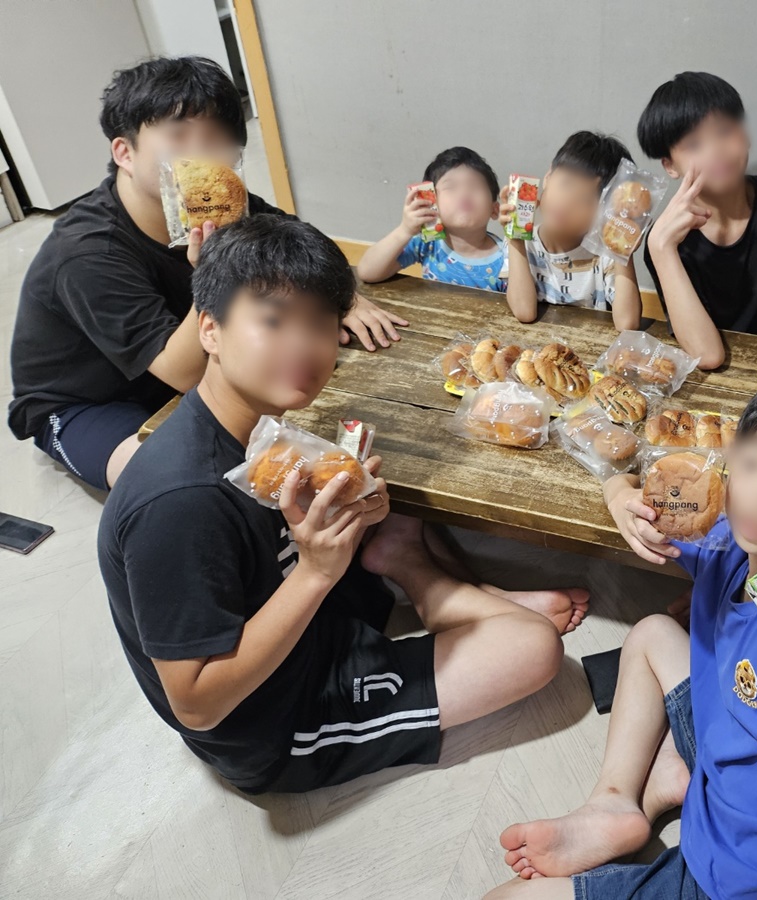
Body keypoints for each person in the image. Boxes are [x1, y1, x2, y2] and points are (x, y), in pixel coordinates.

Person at [98, 215, 587, 793]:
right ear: (210, 329)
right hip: (278, 720)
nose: (303, 345)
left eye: (321, 324)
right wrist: (315, 573)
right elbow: (197, 706)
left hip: (315, 627)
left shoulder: (251, 430)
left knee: (382, 485)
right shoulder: (179, 503)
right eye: (273, 320)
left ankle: (442, 586)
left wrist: (339, 524)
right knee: (533, 647)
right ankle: (454, 595)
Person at [488, 371, 757, 899]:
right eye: (750, 464)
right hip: (728, 747)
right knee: (653, 632)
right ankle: (615, 802)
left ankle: (671, 780)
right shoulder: (733, 539)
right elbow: (637, 489)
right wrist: (618, 496)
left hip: (741, 874)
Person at [6, 56, 404, 491]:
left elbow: (298, 242)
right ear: (124, 153)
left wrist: (342, 296)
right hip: (91, 402)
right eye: (178, 135)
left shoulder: (216, 203)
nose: (200, 153)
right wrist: (214, 270)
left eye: (215, 138)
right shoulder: (87, 253)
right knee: (184, 480)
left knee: (325, 434)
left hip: (189, 368)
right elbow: (184, 375)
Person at [639, 72, 757, 369]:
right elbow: (707, 356)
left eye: (724, 131)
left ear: (744, 136)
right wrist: (659, 249)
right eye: (694, 144)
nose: (716, 151)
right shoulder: (666, 239)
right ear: (670, 166)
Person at [501, 130, 642, 330]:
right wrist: (515, 237)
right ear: (548, 177)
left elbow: (627, 325)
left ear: (607, 212)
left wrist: (623, 252)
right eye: (566, 184)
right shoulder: (524, 244)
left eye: (585, 200)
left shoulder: (604, 255)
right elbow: (524, 312)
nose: (567, 203)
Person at [358, 146, 508, 292]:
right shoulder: (428, 243)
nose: (464, 193)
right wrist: (405, 230)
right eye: (451, 187)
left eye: (474, 186)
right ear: (432, 202)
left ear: (494, 209)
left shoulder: (507, 257)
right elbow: (367, 272)